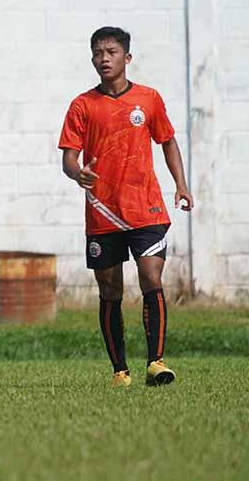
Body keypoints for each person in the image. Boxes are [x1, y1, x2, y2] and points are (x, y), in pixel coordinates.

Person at [58, 27, 193, 388]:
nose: (104, 58)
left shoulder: (148, 99)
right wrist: (77, 174)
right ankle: (120, 371)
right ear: (92, 59)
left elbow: (167, 142)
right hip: (103, 213)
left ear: (127, 58)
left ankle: (156, 362)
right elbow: (69, 159)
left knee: (151, 277)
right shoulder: (82, 105)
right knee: (110, 291)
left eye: (111, 52)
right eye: (98, 53)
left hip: (146, 209)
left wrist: (180, 185)